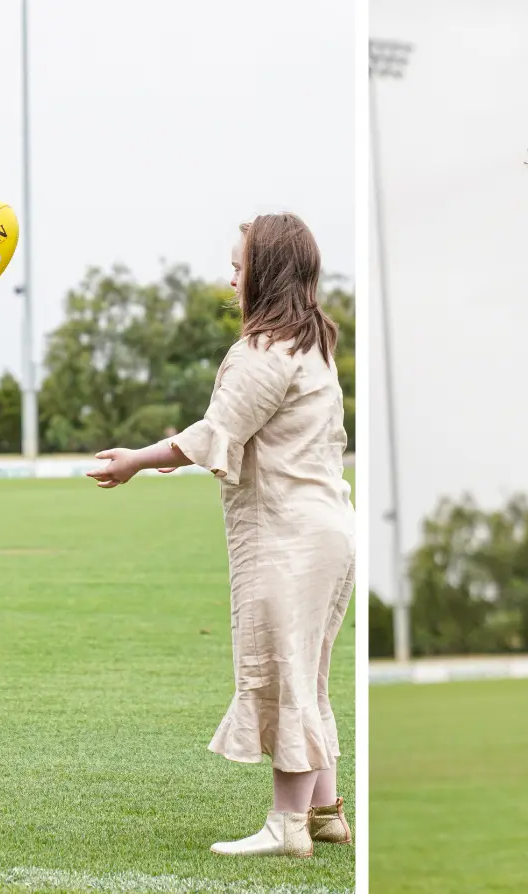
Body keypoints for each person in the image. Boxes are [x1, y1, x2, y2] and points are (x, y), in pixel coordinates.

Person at [89, 212, 355, 857]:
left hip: (288, 534)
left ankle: (287, 825)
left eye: (239, 267)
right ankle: (325, 812)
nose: (230, 279)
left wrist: (134, 462)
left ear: (265, 273)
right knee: (308, 675)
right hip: (327, 530)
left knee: (287, 675)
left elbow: (214, 434)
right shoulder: (312, 344)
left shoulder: (262, 351)